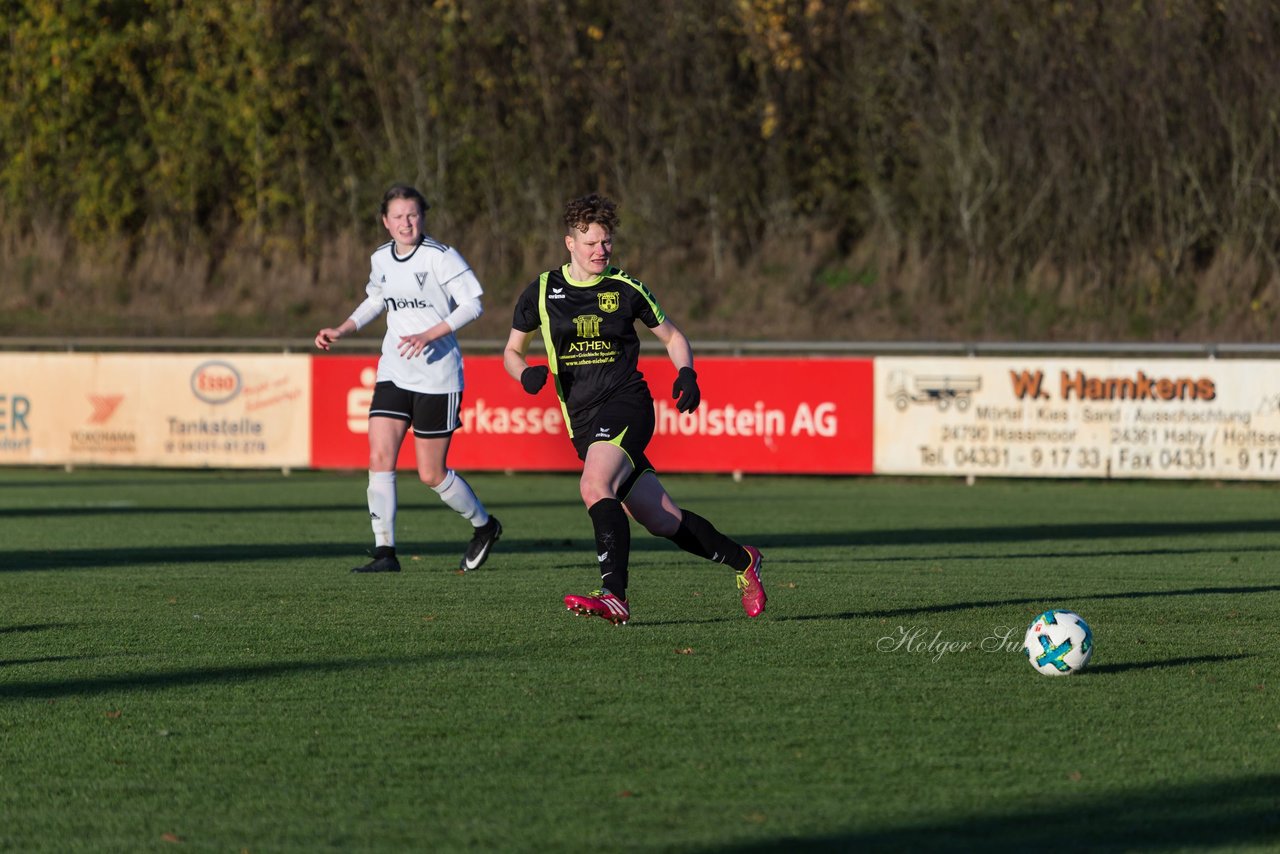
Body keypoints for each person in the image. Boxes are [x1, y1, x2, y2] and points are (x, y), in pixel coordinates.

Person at [502, 192, 764, 625]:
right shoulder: (543, 290)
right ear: (570, 243)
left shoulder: (626, 288)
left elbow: (674, 338)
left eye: (606, 243)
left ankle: (614, 594)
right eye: (590, 244)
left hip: (627, 404)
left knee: (593, 486)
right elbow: (511, 350)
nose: (600, 251)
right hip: (582, 422)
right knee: (662, 520)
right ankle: (744, 561)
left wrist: (687, 374)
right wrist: (524, 372)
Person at [315, 184, 501, 573]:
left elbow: (473, 304)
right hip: (394, 372)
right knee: (379, 457)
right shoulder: (381, 258)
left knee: (431, 474)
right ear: (385, 222)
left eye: (413, 215)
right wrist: (343, 328)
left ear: (423, 217)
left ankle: (484, 526)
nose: (406, 222)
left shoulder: (441, 257)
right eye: (397, 216)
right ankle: (385, 553)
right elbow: (376, 299)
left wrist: (430, 334)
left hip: (438, 377)